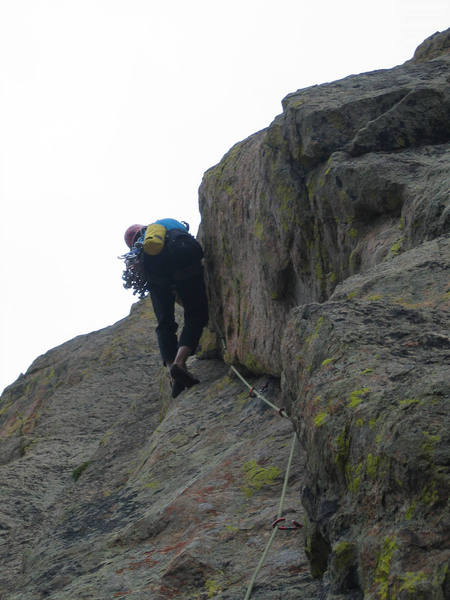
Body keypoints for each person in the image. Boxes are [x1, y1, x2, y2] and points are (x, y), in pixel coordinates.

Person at [124, 219, 209, 398]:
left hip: (157, 276)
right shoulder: (167, 223)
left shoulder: (142, 250)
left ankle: (172, 370)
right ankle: (180, 362)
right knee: (195, 314)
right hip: (183, 262)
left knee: (165, 323)